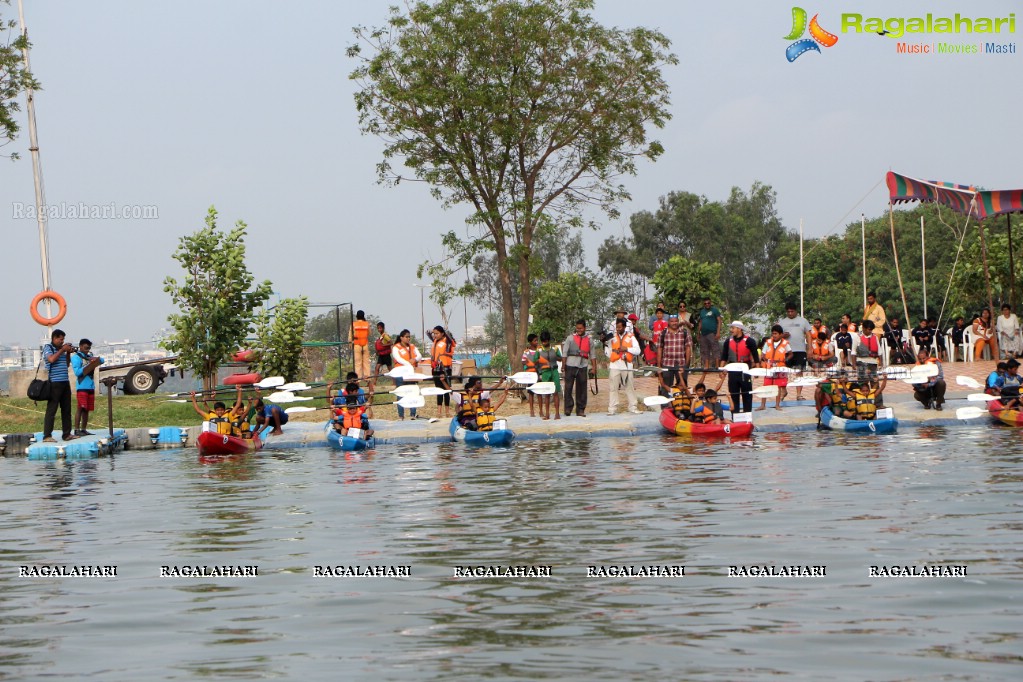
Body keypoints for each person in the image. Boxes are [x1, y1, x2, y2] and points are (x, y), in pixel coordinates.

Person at [41, 329, 78, 443]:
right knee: (52, 410)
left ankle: (66, 434)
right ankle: (47, 435)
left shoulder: (61, 350)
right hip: (54, 383)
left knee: (66, 409)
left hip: (65, 382)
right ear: (54, 338)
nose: (62, 342)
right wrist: (62, 349)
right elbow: (51, 359)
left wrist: (67, 353)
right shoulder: (48, 348)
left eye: (63, 340)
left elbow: (66, 364)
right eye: (60, 339)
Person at [719, 321, 759, 414]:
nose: (731, 330)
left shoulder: (749, 341)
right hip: (733, 370)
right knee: (734, 394)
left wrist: (757, 370)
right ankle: (735, 415)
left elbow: (756, 357)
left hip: (745, 370)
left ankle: (747, 415)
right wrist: (721, 370)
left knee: (747, 394)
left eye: (733, 328)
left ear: (739, 329)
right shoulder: (728, 341)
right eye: (731, 328)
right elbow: (724, 357)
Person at [606, 318, 641, 416]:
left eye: (620, 327)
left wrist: (627, 349)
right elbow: (608, 350)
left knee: (629, 387)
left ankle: (633, 407)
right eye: (617, 327)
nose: (618, 329)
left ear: (625, 327)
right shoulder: (612, 337)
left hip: (627, 366)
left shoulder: (631, 337)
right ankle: (612, 409)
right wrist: (604, 342)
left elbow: (638, 350)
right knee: (613, 388)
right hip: (615, 365)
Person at [70, 338, 104, 436]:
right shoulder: (76, 357)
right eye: (85, 348)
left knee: (87, 409)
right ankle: (77, 429)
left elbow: (102, 360)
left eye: (88, 348)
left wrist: (94, 360)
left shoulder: (89, 356)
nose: (87, 350)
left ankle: (84, 429)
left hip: (90, 386)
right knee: (80, 408)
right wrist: (89, 365)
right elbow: (77, 372)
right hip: (82, 386)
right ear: (80, 346)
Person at [777, 304, 811, 399]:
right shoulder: (782, 322)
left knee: (799, 372)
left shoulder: (803, 321)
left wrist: (810, 349)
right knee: (783, 372)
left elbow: (808, 335)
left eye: (792, 311)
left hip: (800, 350)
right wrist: (783, 335)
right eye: (788, 312)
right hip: (786, 351)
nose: (790, 313)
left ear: (796, 311)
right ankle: (783, 391)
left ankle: (799, 394)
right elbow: (776, 336)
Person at [758, 324, 791, 411]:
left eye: (776, 334)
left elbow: (791, 354)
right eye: (773, 334)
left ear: (781, 334)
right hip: (769, 367)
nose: (774, 335)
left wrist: (785, 359)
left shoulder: (785, 344)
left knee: (778, 387)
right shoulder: (767, 343)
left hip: (780, 367)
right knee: (765, 385)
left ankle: (777, 405)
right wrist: (766, 359)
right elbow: (763, 354)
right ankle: (762, 405)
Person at [657, 314, 691, 397]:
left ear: (678, 322)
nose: (674, 323)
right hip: (667, 364)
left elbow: (688, 348)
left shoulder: (685, 332)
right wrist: (659, 366)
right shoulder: (663, 333)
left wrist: (686, 365)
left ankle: (682, 407)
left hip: (681, 364)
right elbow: (659, 349)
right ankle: (665, 408)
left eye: (676, 321)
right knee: (665, 387)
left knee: (682, 387)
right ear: (668, 322)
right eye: (672, 321)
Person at [391, 329, 422, 420]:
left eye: (409, 337)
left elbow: (419, 355)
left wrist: (415, 360)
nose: (408, 338)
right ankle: (401, 415)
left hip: (411, 374)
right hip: (400, 373)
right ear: (401, 338)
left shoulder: (412, 346)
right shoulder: (396, 347)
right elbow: (398, 358)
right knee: (401, 393)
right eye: (406, 337)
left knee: (413, 392)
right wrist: (409, 364)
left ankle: (413, 414)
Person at [562, 321, 591, 417]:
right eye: (577, 328)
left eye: (581, 328)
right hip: (570, 365)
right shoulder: (570, 338)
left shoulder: (589, 339)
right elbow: (565, 352)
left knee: (582, 389)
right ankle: (568, 408)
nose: (579, 330)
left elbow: (593, 355)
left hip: (583, 365)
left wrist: (594, 368)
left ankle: (580, 409)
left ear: (585, 328)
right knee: (568, 387)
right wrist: (563, 365)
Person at [533, 331, 563, 420]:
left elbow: (560, 359)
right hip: (545, 372)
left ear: (549, 340)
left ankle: (557, 414)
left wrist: (554, 357)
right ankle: (547, 414)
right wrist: (540, 361)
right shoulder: (539, 350)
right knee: (546, 393)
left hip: (554, 371)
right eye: (542, 341)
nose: (544, 343)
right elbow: (535, 361)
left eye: (545, 341)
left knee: (555, 393)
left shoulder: (555, 349)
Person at [430, 325, 456, 418]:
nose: (435, 335)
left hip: (445, 368)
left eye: (437, 333)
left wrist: (445, 331)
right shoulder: (435, 342)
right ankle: (439, 412)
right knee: (438, 390)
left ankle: (447, 412)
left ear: (442, 333)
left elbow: (451, 340)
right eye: (434, 333)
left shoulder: (447, 341)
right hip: (436, 368)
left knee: (446, 389)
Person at [697, 297, 723, 369]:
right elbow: (700, 322)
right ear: (703, 304)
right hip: (703, 334)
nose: (707, 304)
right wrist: (698, 333)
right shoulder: (702, 311)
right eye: (705, 303)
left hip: (712, 333)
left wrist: (718, 332)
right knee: (705, 350)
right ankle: (706, 367)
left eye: (708, 303)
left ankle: (717, 366)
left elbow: (719, 321)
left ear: (710, 303)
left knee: (715, 349)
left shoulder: (714, 310)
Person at [521, 333, 540, 416]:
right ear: (530, 342)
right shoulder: (526, 352)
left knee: (539, 392)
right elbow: (523, 361)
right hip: (530, 374)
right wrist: (531, 364)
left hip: (538, 373)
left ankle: (541, 411)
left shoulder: (539, 350)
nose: (536, 342)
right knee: (531, 392)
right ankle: (531, 411)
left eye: (537, 340)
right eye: (535, 340)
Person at [351, 310, 371, 379]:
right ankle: (367, 379)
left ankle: (358, 380)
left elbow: (350, 335)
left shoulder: (354, 324)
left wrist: (351, 344)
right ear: (363, 316)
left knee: (358, 363)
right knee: (366, 363)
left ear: (356, 316)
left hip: (357, 345)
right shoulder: (366, 324)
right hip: (365, 344)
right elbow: (369, 333)